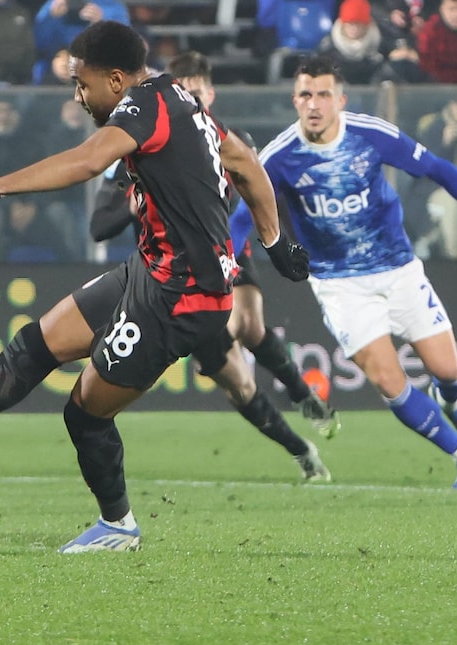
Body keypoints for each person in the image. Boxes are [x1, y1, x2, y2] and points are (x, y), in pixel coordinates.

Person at [0, 23, 312, 553]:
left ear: (117, 80)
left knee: (84, 412)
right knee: (35, 345)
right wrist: (274, 239)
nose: (78, 96)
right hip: (152, 270)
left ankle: (119, 526)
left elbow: (87, 161)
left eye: (82, 84)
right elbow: (242, 161)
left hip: (182, 297)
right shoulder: (180, 98)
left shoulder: (143, 108)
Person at [256, 57, 457, 489]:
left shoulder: (370, 135)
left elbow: (436, 168)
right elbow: (247, 215)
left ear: (340, 100)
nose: (315, 104)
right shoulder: (280, 158)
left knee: (447, 369)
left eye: (324, 94)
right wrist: (225, 258)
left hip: (397, 268)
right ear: (295, 101)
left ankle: (450, 397)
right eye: (306, 95)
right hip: (339, 284)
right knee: (388, 381)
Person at [92, 52, 340, 444]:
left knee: (247, 323)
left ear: (210, 94)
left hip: (224, 252)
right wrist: (132, 201)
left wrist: (279, 242)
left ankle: (302, 396)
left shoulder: (229, 140)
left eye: (198, 94)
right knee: (239, 385)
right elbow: (98, 226)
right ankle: (299, 448)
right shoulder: (140, 145)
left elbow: (254, 193)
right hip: (170, 271)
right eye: (184, 94)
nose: (192, 102)